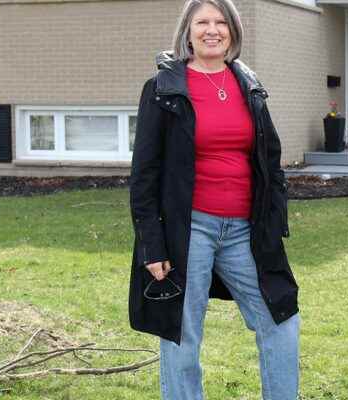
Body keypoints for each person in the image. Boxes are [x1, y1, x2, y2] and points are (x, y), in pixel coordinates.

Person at [127, 1, 299, 399]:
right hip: (190, 229)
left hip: (246, 231)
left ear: (233, 32)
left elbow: (270, 163)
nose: (212, 30)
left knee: (281, 320)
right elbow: (144, 174)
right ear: (187, 32)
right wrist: (153, 244)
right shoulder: (163, 90)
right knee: (183, 335)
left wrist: (274, 224)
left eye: (221, 22)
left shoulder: (248, 85)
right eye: (202, 22)